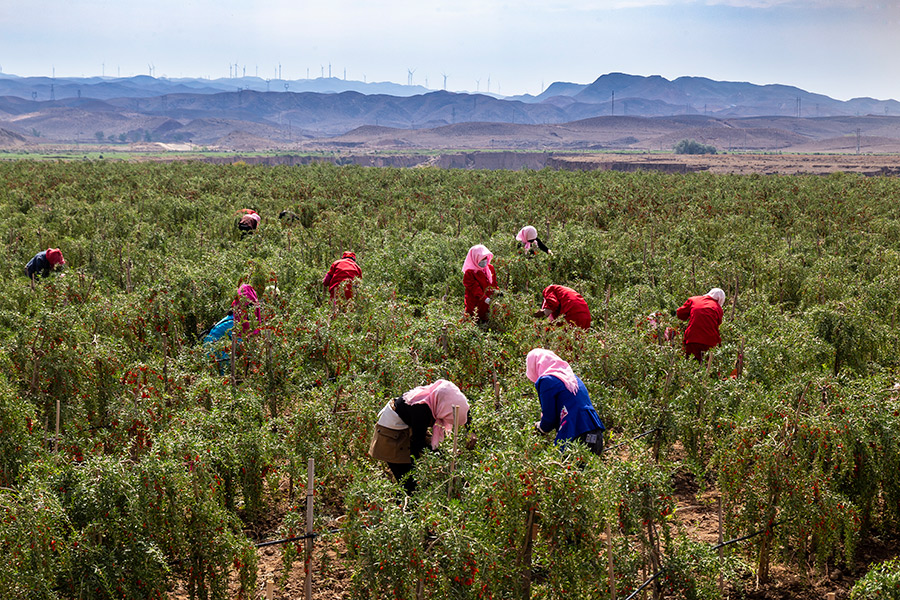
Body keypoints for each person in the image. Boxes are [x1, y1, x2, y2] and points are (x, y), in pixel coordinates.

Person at [369, 379, 470, 494]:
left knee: (415, 479)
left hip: (409, 426)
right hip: (391, 436)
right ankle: (405, 506)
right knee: (408, 484)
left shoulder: (440, 397)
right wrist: (441, 458)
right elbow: (418, 444)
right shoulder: (421, 409)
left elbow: (464, 411)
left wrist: (471, 431)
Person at [526, 348, 605, 455]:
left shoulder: (546, 381)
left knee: (564, 469)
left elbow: (549, 419)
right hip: (595, 434)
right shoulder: (571, 377)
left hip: (574, 435)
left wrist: (539, 428)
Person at [676, 288, 725, 362]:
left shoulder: (694, 300)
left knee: (690, 365)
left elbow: (680, 314)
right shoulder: (718, 309)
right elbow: (717, 324)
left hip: (692, 340)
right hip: (709, 343)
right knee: (708, 367)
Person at [463, 244, 499, 322]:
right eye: (481, 259)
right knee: (474, 322)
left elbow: (494, 284)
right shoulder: (470, 273)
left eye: (485, 258)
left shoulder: (490, 268)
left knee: (487, 322)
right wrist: (485, 299)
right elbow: (475, 289)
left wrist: (497, 292)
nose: (484, 261)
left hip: (487, 305)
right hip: (475, 305)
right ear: (475, 258)